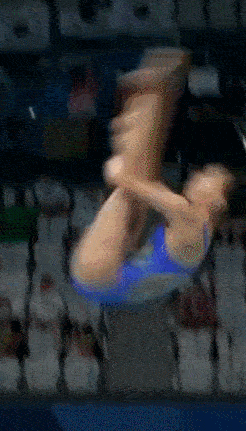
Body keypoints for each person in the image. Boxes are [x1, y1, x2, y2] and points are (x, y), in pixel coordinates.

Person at [70, 49, 235, 307]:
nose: (198, 174)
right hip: (115, 280)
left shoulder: (190, 218)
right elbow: (145, 180)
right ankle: (155, 90)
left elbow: (129, 180)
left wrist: (119, 169)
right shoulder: (197, 231)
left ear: (218, 202)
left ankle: (154, 89)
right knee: (139, 178)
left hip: (99, 276)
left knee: (131, 184)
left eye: (208, 176)